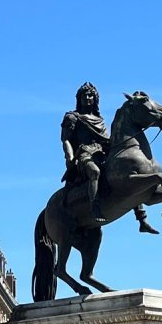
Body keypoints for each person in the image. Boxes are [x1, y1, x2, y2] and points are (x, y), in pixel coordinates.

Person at [60, 83, 115, 227]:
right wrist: (70, 157)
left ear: (95, 99)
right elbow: (66, 139)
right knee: (94, 171)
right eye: (84, 95)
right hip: (84, 153)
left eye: (91, 95)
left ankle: (140, 215)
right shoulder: (73, 117)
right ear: (79, 98)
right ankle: (95, 206)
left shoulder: (100, 120)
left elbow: (106, 140)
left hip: (101, 153)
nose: (87, 98)